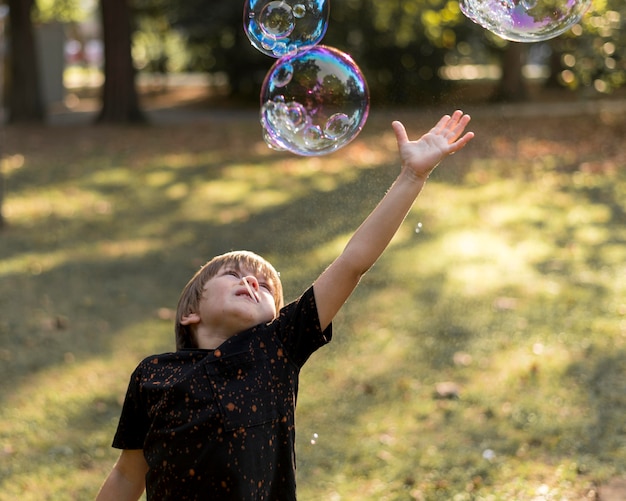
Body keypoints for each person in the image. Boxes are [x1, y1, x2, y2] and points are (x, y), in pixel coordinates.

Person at [96, 111, 475, 501]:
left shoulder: (275, 349)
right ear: (190, 313)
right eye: (232, 275)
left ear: (274, 319)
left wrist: (412, 177)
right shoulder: (155, 375)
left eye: (263, 286)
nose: (251, 281)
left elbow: (352, 263)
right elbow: (127, 476)